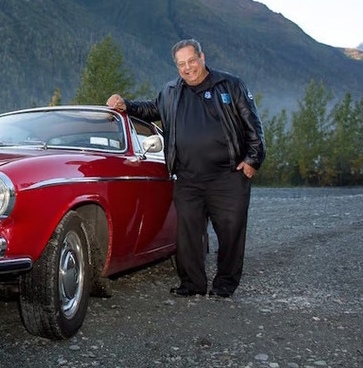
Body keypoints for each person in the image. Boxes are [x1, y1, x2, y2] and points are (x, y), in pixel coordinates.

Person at [106, 39, 265, 298]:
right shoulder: (170, 91)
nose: (188, 68)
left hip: (228, 176)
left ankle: (224, 286)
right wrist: (125, 104)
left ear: (202, 57)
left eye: (192, 61)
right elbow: (151, 109)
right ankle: (192, 284)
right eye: (181, 64)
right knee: (188, 235)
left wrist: (252, 161)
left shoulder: (230, 85)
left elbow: (253, 125)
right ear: (176, 66)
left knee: (231, 234)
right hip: (188, 179)